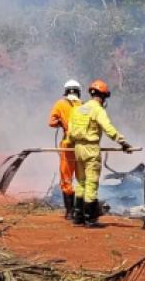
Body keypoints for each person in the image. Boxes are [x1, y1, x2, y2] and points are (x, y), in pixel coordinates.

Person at [67, 80, 132, 228]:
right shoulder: (97, 110)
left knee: (81, 182)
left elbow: (70, 132)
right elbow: (108, 128)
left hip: (78, 149)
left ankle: (78, 218)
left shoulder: (78, 109)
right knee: (91, 183)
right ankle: (90, 219)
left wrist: (73, 143)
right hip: (90, 149)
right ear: (102, 96)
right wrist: (122, 142)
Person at [47, 79, 83, 220]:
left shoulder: (60, 104)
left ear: (66, 91)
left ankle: (69, 212)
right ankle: (81, 210)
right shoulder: (84, 104)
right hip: (83, 146)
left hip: (68, 146)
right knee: (82, 178)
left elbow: (51, 122)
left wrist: (61, 122)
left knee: (66, 178)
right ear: (78, 91)